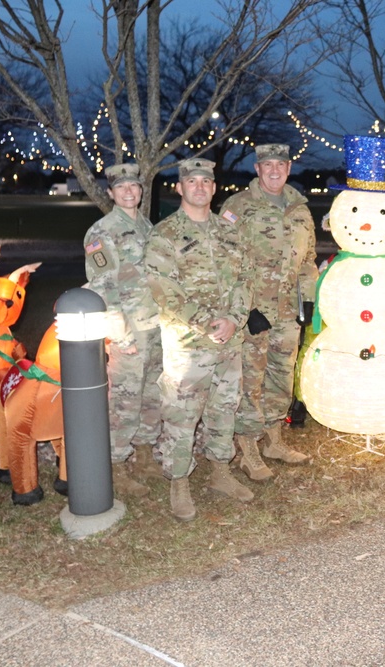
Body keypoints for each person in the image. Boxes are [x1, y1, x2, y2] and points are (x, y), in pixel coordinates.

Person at [144, 158, 255, 521]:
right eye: (192, 182)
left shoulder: (229, 232)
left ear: (214, 187)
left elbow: (245, 280)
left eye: (206, 182)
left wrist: (234, 320)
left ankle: (221, 473)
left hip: (229, 342)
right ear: (180, 188)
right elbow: (165, 289)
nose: (200, 187)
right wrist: (209, 323)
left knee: (224, 410)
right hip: (189, 346)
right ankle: (179, 483)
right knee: (182, 416)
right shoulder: (164, 235)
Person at [219, 144, 318, 480]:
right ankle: (247, 449)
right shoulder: (237, 207)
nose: (274, 170)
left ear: (288, 168)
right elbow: (225, 262)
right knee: (251, 380)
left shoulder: (300, 208)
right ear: (257, 168)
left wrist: (308, 301)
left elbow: (308, 260)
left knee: (281, 376)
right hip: (254, 313)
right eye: (267, 165)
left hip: (289, 312)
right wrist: (246, 310)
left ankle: (274, 440)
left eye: (280, 164)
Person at [83, 163, 164, 498]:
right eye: (123, 187)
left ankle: (144, 455)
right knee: (125, 402)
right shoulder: (101, 232)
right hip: (129, 330)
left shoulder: (147, 227)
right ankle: (116, 465)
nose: (130, 192)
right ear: (112, 193)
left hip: (155, 326)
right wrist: (120, 334)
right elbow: (101, 287)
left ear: (141, 191)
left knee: (151, 396)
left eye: (135, 186)